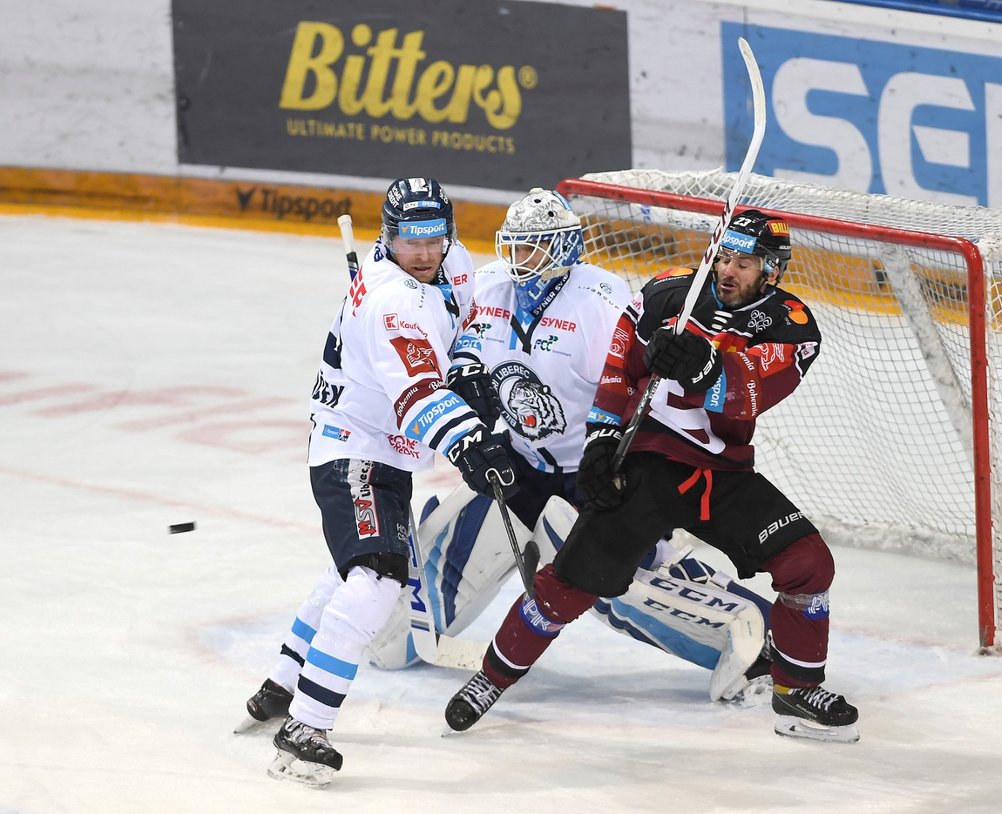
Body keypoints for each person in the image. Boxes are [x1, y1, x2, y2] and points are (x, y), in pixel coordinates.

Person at [444, 208, 861, 744]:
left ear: (771, 269)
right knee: (568, 584)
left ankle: (796, 692)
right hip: (647, 463)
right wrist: (599, 442)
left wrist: (704, 366)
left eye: (745, 263)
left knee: (807, 563)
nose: (729, 272)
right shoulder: (669, 295)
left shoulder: (792, 323)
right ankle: (490, 679)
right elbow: (620, 369)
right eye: (723, 258)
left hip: (722, 474)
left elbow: (754, 390)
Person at [366, 189, 774, 702]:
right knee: (392, 641)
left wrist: (636, 472)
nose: (519, 260)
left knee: (613, 591)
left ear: (561, 250)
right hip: (516, 466)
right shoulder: (490, 286)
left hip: (594, 473)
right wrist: (460, 374)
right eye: (513, 247)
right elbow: (431, 325)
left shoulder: (601, 302)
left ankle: (748, 627)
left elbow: (642, 388)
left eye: (531, 248)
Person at [238, 177, 519, 789]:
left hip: (386, 452)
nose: (423, 251)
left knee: (351, 570)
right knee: (374, 578)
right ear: (385, 237)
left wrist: (467, 367)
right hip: (354, 449)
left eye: (433, 237)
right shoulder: (393, 301)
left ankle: (282, 684)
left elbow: (467, 320)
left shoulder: (451, 262)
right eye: (407, 239)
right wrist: (472, 440)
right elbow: (418, 397)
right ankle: (307, 727)